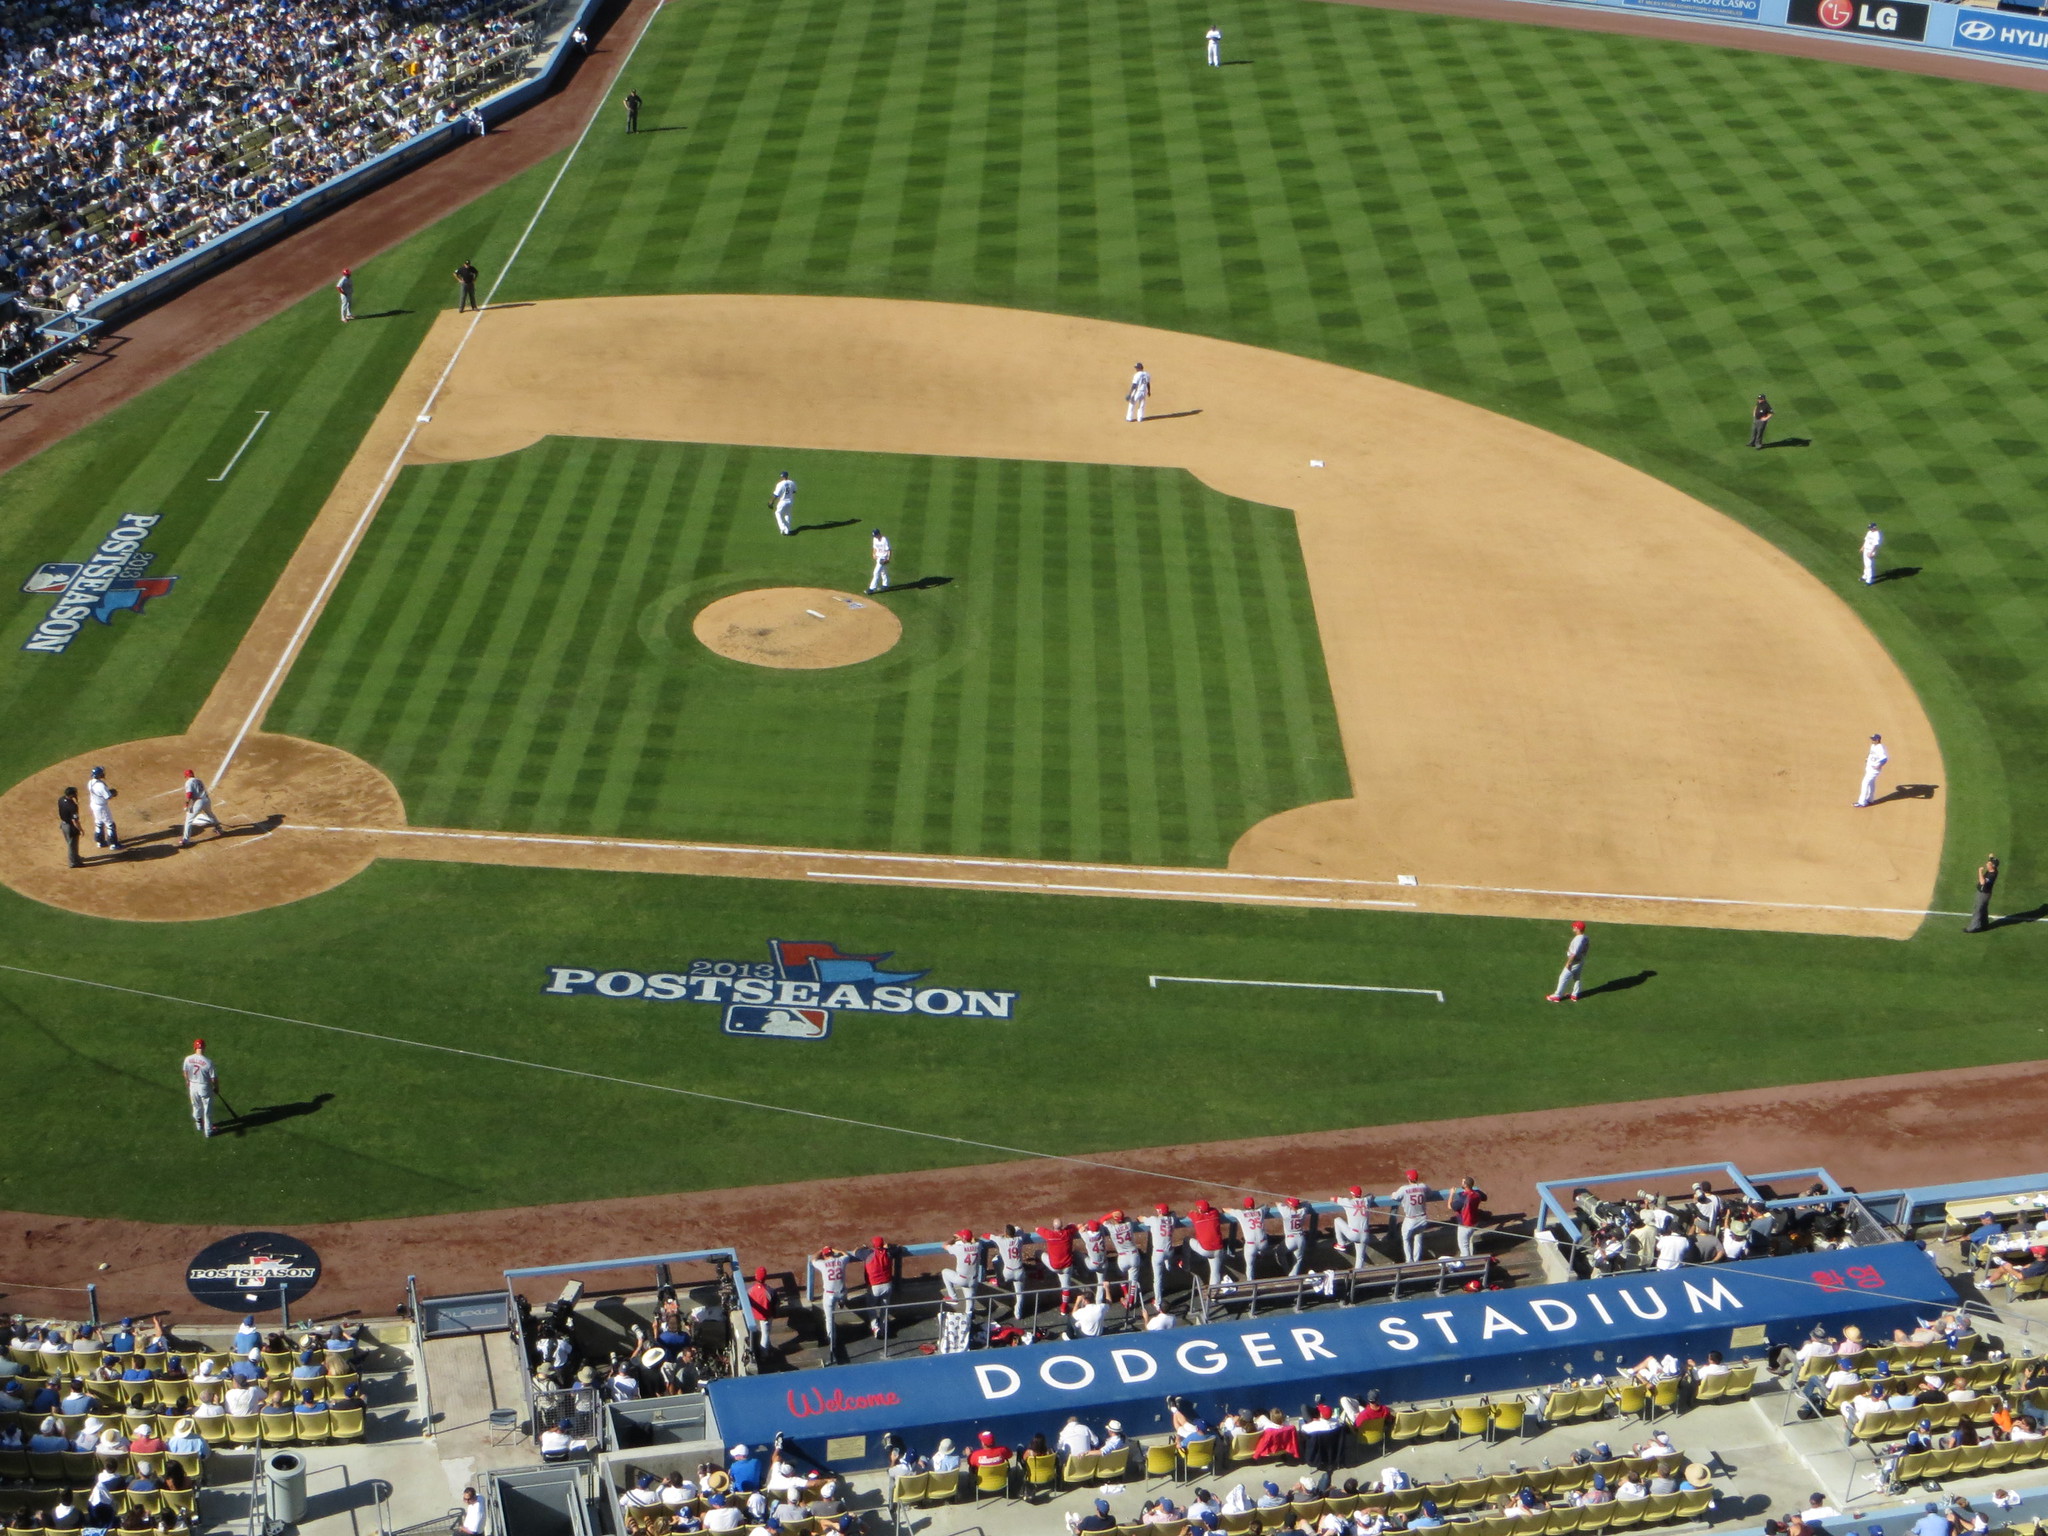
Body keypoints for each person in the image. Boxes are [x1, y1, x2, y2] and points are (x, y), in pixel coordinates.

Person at [1389, 1171, 1437, 1263]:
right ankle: (1416, 1260)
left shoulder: (1403, 1189)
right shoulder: (1423, 1186)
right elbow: (1430, 1193)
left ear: (1408, 1178)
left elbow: (1394, 1197)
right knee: (1418, 1238)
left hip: (1410, 1219)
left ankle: (1409, 1260)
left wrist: (1393, 1194)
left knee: (1406, 1239)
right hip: (1422, 1218)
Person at [811, 1246, 848, 1354]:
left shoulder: (822, 1264)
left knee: (829, 1319)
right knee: (845, 1290)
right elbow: (845, 1254)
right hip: (841, 1293)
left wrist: (820, 1250)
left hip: (830, 1296)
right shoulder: (841, 1260)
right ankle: (842, 1303)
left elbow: (813, 1259)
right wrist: (836, 1250)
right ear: (832, 1253)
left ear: (824, 1255)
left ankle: (832, 1342)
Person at [1187, 1200, 1228, 1288]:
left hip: (1205, 1250)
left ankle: (1185, 1264)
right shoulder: (1215, 1213)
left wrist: (1195, 1211)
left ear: (1199, 1209)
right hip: (1219, 1250)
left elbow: (1190, 1213)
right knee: (1215, 1272)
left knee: (1187, 1240)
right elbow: (1213, 1209)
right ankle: (1213, 1297)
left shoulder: (1196, 1216)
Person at [181, 1040, 218, 1138]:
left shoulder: (188, 1059)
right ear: (204, 1048)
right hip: (204, 1086)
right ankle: (208, 1131)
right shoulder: (208, 1062)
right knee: (207, 1109)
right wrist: (216, 1087)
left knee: (196, 1105)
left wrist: (187, 1080)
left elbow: (185, 1071)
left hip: (192, 1085)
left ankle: (199, 1124)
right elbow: (214, 1078)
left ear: (194, 1047)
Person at [176, 768, 221, 847]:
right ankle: (219, 828)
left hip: (198, 802)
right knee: (210, 814)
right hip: (206, 800)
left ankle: (186, 840)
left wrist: (187, 804)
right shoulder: (199, 780)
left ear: (186, 776)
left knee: (188, 820)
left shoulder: (189, 782)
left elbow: (189, 794)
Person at [1142, 1205, 1176, 1307]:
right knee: (1167, 1256)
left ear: (1159, 1211)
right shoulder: (1172, 1219)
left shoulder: (1153, 1220)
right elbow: (1173, 1213)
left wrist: (1140, 1217)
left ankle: (1158, 1302)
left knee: (1157, 1279)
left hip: (1158, 1254)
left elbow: (1142, 1219)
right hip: (1169, 1252)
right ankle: (1169, 1267)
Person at [1547, 920, 1589, 1002]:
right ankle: (1575, 995)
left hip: (1574, 962)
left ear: (1578, 928)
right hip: (1580, 960)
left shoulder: (1578, 939)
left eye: (1574, 926)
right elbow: (1587, 947)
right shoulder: (1585, 937)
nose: (1573, 927)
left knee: (1563, 977)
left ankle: (1557, 995)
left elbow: (1573, 954)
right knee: (1577, 977)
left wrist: (1568, 963)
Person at [861, 1236, 894, 1338]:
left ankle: (876, 1328)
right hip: (888, 1285)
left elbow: (857, 1251)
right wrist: (887, 1247)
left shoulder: (868, 1254)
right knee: (885, 1308)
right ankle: (884, 1328)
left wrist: (865, 1248)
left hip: (874, 1287)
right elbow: (897, 1248)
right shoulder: (889, 1253)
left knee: (871, 1307)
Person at [941, 1229, 984, 1308]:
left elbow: (944, 1245)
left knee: (944, 1272)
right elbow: (978, 1240)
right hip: (973, 1281)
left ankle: (953, 1298)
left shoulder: (958, 1248)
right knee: (970, 1305)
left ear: (962, 1239)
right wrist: (969, 1239)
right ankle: (969, 1316)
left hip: (961, 1279)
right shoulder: (978, 1246)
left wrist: (954, 1239)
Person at [1449, 1178, 1486, 1258]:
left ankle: (1467, 1263)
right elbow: (1484, 1197)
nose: (1461, 1183)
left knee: (1463, 1246)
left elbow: (1450, 1206)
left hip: (1464, 1225)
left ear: (1465, 1185)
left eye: (1462, 1182)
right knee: (1470, 1243)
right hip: (1474, 1222)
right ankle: (1471, 1259)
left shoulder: (1463, 1198)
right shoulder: (1477, 1193)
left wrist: (1451, 1194)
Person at [87, 765, 119, 850]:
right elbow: (109, 797)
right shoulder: (101, 786)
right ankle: (113, 844)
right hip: (102, 807)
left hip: (94, 805)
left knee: (99, 822)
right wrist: (112, 793)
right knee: (110, 824)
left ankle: (100, 842)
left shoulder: (90, 782)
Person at [1966, 855, 1999, 933]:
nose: (1987, 864)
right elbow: (1992, 862)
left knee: (1977, 909)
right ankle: (1985, 925)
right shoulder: (1994, 870)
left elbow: (1982, 882)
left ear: (1992, 866)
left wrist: (1980, 871)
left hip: (1983, 894)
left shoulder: (1992, 875)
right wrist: (1991, 857)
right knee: (1983, 909)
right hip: (1986, 894)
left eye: (1989, 863)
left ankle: (1973, 928)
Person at [1855, 733, 1888, 808]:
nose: (1872, 740)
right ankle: (1870, 800)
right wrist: (1867, 758)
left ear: (1877, 740)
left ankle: (1862, 802)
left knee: (1865, 782)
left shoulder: (1880, 748)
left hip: (1874, 770)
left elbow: (1885, 759)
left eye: (1873, 739)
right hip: (1869, 768)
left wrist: (1878, 765)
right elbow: (1870, 753)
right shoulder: (1873, 745)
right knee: (1871, 783)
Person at [57, 784, 81, 867]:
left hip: (63, 825)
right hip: (70, 827)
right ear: (71, 795)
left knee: (70, 843)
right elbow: (75, 820)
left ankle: (75, 857)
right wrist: (80, 829)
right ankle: (73, 863)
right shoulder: (73, 806)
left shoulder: (61, 799)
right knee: (72, 845)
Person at [770, 471, 796, 537]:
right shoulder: (792, 482)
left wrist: (771, 502)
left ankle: (782, 527)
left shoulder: (780, 484)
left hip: (783, 501)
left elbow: (776, 495)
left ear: (782, 477)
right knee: (787, 514)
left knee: (777, 513)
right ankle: (787, 530)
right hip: (790, 501)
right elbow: (794, 491)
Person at [866, 527, 891, 593]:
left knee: (876, 572)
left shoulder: (884, 539)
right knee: (883, 572)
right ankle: (885, 585)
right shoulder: (875, 539)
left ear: (879, 534)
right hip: (878, 557)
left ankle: (871, 588)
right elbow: (874, 548)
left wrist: (888, 559)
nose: (875, 537)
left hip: (883, 558)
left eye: (876, 535)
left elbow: (888, 550)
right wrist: (873, 554)